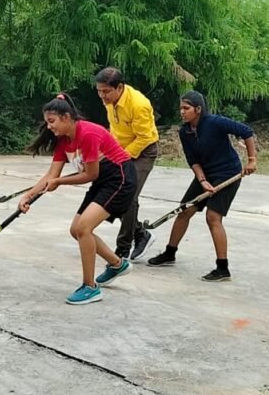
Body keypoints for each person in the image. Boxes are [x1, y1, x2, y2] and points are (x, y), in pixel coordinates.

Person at [19, 93, 136, 305]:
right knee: (77, 230)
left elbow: (91, 174)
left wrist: (61, 182)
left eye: (52, 121)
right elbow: (50, 176)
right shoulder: (63, 142)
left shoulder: (88, 134)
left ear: (66, 117)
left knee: (83, 228)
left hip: (120, 178)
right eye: (47, 122)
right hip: (102, 181)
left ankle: (90, 287)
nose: (49, 127)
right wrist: (28, 196)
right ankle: (118, 264)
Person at [147, 91, 257, 282]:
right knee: (184, 211)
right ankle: (169, 253)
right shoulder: (185, 132)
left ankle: (223, 268)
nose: (182, 112)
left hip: (227, 173)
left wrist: (252, 160)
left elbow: (246, 132)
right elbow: (193, 160)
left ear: (198, 109)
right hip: (205, 173)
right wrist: (202, 180)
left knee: (213, 218)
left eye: (186, 108)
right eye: (181, 108)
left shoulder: (215, 122)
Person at [95, 67, 158, 262]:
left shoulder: (139, 104)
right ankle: (140, 234)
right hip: (121, 149)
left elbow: (144, 137)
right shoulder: (109, 101)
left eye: (106, 91)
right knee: (112, 191)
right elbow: (114, 130)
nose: (102, 96)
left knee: (128, 195)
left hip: (143, 151)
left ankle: (123, 248)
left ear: (120, 87)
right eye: (99, 91)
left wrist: (121, 156)